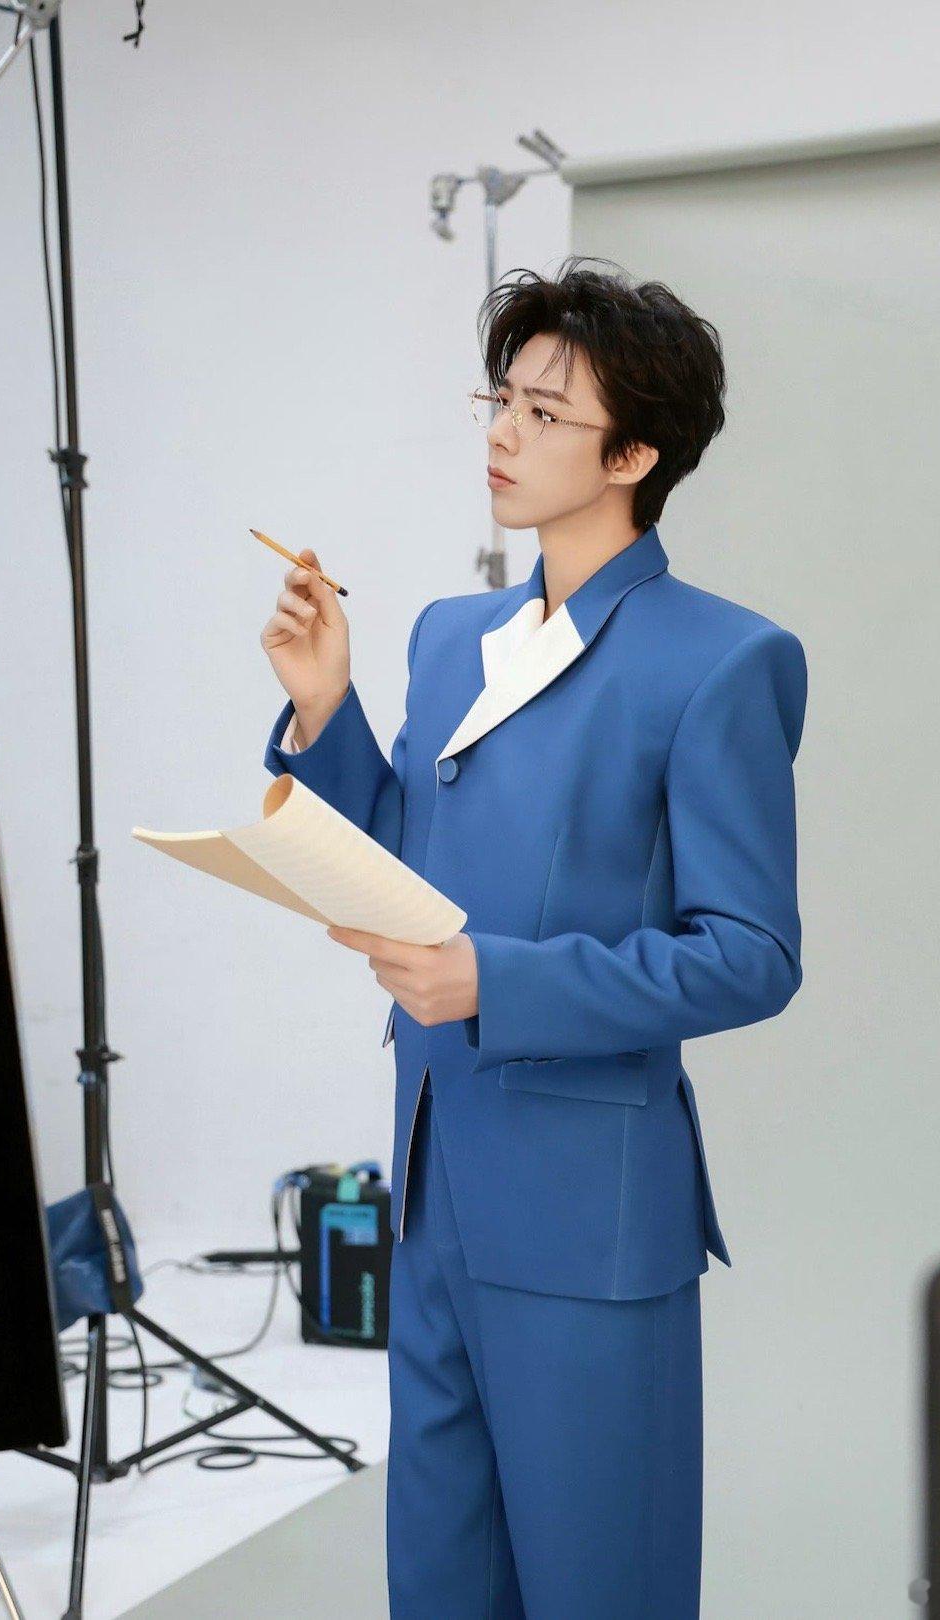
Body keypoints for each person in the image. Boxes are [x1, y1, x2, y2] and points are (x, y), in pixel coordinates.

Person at [260, 254, 808, 1619]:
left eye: (544, 412)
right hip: (435, 1192)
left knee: (598, 1591)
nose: (503, 433)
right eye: (500, 400)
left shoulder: (720, 661)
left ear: (634, 453)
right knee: (440, 1587)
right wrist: (326, 711)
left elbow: (750, 951)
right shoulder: (451, 637)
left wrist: (493, 981)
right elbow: (406, 868)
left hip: (588, 1225)